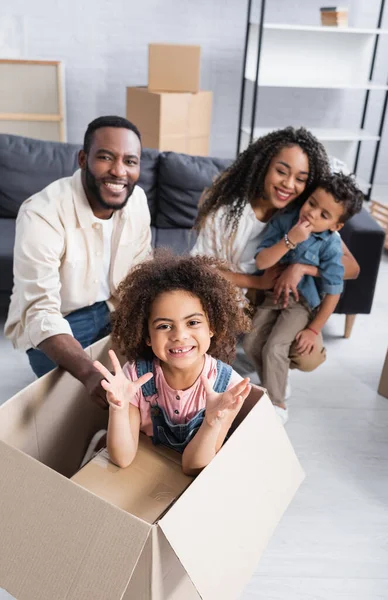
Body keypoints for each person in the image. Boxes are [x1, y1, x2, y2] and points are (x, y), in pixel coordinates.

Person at [4, 116, 152, 408]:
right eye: (106, 157)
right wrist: (88, 373)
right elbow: (40, 312)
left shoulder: (137, 202)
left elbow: (142, 274)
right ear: (83, 159)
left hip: (114, 308)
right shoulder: (42, 213)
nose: (119, 171)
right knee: (70, 404)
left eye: (130, 161)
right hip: (63, 319)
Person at [192, 126, 360, 372]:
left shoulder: (307, 214)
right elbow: (201, 271)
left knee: (307, 356)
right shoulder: (229, 214)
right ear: (264, 166)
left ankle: (271, 369)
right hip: (239, 298)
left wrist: (300, 267)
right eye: (281, 171)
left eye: (301, 179)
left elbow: (352, 268)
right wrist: (257, 282)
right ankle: (257, 363)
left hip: (285, 302)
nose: (289, 184)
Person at [92, 252, 252, 476]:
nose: (180, 335)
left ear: (212, 327)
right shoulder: (136, 377)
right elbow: (123, 458)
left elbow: (192, 468)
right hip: (146, 467)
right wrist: (118, 409)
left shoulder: (227, 386)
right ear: (147, 336)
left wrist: (212, 422)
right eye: (164, 326)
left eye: (193, 322)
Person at [243, 173, 364, 423]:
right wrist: (290, 240)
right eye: (312, 203)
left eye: (324, 215)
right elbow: (262, 261)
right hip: (272, 296)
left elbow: (334, 291)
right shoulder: (284, 222)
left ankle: (277, 405)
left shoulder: (329, 245)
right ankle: (276, 380)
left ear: (336, 225)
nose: (312, 214)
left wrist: (313, 329)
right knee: (251, 343)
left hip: (302, 304)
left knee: (276, 346)